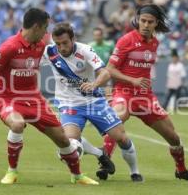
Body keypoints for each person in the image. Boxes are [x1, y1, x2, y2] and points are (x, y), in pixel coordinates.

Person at [0, 8, 98, 185]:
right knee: (17, 124)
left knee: (63, 139)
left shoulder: (42, 46)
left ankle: (77, 176)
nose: (46, 32)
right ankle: (12, 172)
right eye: (45, 28)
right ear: (36, 27)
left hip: (35, 100)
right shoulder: (9, 47)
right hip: (9, 99)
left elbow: (63, 62)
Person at [99, 4, 188, 181]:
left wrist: (141, 82)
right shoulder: (126, 40)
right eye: (142, 21)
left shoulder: (155, 42)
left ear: (156, 23)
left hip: (145, 96)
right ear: (138, 20)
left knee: (173, 136)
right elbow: (110, 69)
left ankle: (181, 170)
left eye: (149, 22)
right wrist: (132, 80)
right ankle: (105, 164)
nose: (145, 25)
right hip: (125, 92)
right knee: (114, 122)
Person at [41, 22, 143, 182]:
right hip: (69, 103)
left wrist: (94, 84)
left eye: (65, 43)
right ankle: (100, 154)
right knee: (70, 142)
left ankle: (135, 172)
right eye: (58, 43)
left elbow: (105, 73)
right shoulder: (49, 52)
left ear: (73, 39)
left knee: (121, 138)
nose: (61, 47)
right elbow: (28, 60)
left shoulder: (85, 50)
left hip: (94, 101)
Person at [89, 27, 114, 100]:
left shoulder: (110, 45)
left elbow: (114, 58)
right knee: (93, 95)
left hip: (107, 72)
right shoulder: (90, 46)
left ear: (102, 35)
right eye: (95, 35)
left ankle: (110, 106)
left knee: (108, 94)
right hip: (94, 73)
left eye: (99, 35)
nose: (97, 37)